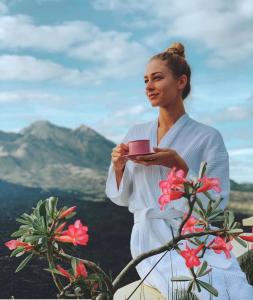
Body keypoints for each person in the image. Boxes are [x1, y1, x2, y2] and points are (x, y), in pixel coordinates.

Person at [105, 42, 253, 300]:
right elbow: (121, 197)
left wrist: (180, 166)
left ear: (181, 82)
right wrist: (118, 167)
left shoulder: (208, 137)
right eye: (145, 80)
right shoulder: (136, 133)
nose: (148, 87)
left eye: (157, 78)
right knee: (189, 290)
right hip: (150, 239)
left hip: (197, 236)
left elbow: (216, 206)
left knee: (232, 286)